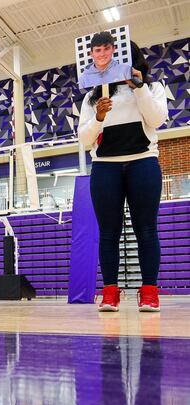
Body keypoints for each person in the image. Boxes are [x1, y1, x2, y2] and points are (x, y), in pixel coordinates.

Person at [78, 41, 168, 312]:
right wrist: (99, 117)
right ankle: (109, 292)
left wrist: (139, 88)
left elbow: (157, 120)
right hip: (105, 166)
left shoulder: (152, 88)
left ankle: (150, 292)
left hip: (143, 162)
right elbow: (84, 140)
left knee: (147, 230)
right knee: (108, 233)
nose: (107, 56)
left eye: (113, 51)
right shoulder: (92, 97)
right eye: (101, 51)